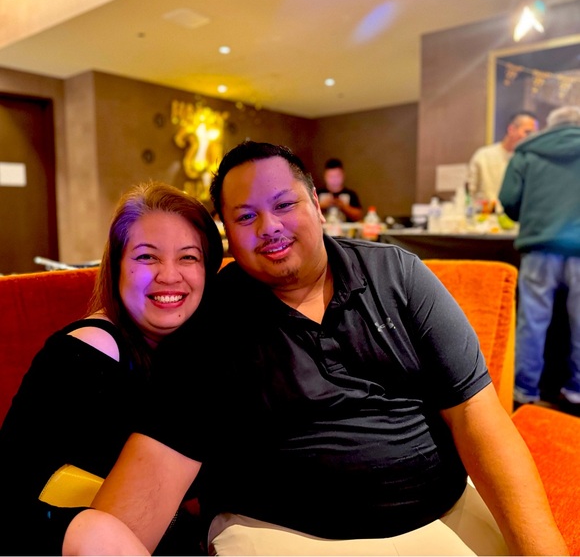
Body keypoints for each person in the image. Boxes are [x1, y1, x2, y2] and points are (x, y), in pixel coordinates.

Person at [64, 142, 567, 556]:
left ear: (316, 206)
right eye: (246, 216)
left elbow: (478, 418)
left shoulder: (398, 274)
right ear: (227, 234)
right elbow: (158, 463)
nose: (269, 227)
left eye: (284, 205)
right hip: (281, 534)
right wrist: (99, 538)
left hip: (443, 512)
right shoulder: (212, 319)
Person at [0, 181, 223, 556]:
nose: (169, 275)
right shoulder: (93, 351)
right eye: (147, 257)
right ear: (117, 266)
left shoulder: (184, 353)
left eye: (188, 258)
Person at [499, 105, 580, 416]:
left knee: (532, 322)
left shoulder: (528, 151)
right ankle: (576, 391)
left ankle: (524, 391)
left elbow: (508, 200)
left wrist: (531, 215)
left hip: (539, 246)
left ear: (550, 125)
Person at [467, 110, 539, 213]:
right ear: (511, 129)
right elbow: (469, 195)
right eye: (527, 132)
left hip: (515, 220)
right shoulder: (483, 156)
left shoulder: (529, 161)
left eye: (534, 135)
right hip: (485, 218)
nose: (531, 138)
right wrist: (486, 208)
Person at [316, 157, 363, 222]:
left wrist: (343, 206)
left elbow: (359, 216)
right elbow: (309, 214)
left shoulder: (351, 194)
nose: (334, 180)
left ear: (343, 175)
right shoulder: (317, 193)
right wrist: (322, 206)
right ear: (325, 176)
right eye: (331, 176)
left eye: (337, 176)